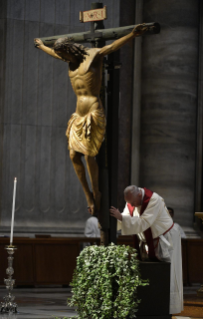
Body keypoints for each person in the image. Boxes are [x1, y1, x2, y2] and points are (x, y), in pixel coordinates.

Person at [34, 24, 148, 215]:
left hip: (93, 111)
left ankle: (96, 192)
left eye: (65, 54)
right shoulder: (69, 61)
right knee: (73, 155)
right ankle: (88, 195)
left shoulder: (93, 55)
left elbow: (111, 48)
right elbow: (55, 54)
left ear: (72, 50)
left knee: (88, 155)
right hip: (78, 114)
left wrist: (131, 34)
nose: (63, 58)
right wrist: (41, 46)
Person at [110, 185, 183, 315]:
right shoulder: (132, 201)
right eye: (129, 203)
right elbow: (126, 217)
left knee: (169, 274)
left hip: (165, 240)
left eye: (132, 202)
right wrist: (115, 218)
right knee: (152, 274)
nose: (131, 205)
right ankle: (152, 304)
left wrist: (121, 218)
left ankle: (167, 308)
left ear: (139, 195)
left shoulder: (154, 199)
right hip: (148, 240)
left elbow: (144, 222)